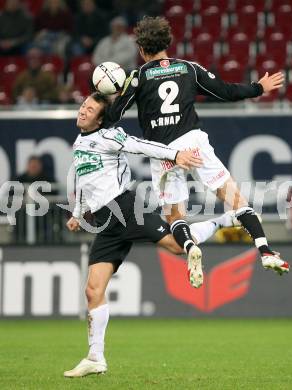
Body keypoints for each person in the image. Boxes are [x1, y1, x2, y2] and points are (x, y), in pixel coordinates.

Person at [63, 92, 237, 377]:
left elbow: (142, 146)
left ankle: (227, 219)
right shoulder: (79, 143)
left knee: (176, 246)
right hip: (107, 222)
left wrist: (176, 155)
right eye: (83, 105)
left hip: (126, 208)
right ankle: (95, 357)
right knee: (93, 290)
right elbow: (84, 182)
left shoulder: (110, 136)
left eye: (90, 108)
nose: (82, 111)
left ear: (100, 117)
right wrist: (78, 214)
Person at [107, 16, 290, 276]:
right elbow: (225, 91)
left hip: (164, 153)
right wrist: (258, 87)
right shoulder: (188, 69)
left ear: (141, 49)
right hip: (193, 143)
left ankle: (191, 245)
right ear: (167, 42)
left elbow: (115, 114)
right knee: (236, 199)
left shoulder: (138, 77)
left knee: (175, 216)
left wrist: (108, 98)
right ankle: (266, 251)